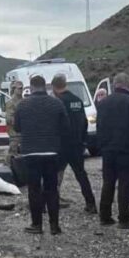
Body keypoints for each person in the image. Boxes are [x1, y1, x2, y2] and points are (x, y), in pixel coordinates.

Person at [15, 75, 70, 234]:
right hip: (52, 151)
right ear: (45, 86)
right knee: (51, 189)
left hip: (30, 152)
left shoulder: (22, 105)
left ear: (31, 87)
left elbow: (17, 127)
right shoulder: (57, 103)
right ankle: (54, 226)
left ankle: (37, 225)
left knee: (34, 189)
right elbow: (65, 127)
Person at [96, 72, 129, 228]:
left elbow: (99, 127)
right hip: (126, 150)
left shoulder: (103, 103)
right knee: (125, 184)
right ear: (127, 84)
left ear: (114, 85)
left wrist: (102, 146)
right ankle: (124, 218)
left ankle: (104, 216)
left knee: (108, 182)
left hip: (108, 150)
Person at [51, 74, 97, 213]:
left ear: (54, 87)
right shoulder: (77, 100)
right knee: (81, 175)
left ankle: (53, 201)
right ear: (65, 84)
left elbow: (56, 125)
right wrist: (83, 142)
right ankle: (91, 204)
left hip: (62, 145)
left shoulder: (57, 102)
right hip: (77, 145)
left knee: (56, 174)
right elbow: (84, 123)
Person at [4, 81, 24, 169]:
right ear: (14, 89)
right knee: (12, 153)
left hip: (23, 133)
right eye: (19, 88)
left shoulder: (24, 101)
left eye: (22, 88)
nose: (21, 90)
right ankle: (9, 169)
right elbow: (9, 118)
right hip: (14, 133)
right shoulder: (10, 103)